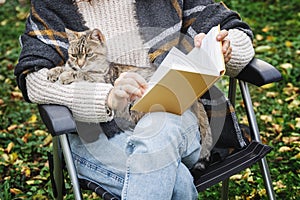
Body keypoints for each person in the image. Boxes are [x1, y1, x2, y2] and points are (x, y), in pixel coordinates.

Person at [15, 0, 254, 199]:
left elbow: (235, 30)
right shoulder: (53, 6)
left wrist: (226, 48)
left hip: (179, 120)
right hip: (97, 134)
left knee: (159, 123)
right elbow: (33, 79)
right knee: (177, 182)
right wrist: (104, 98)